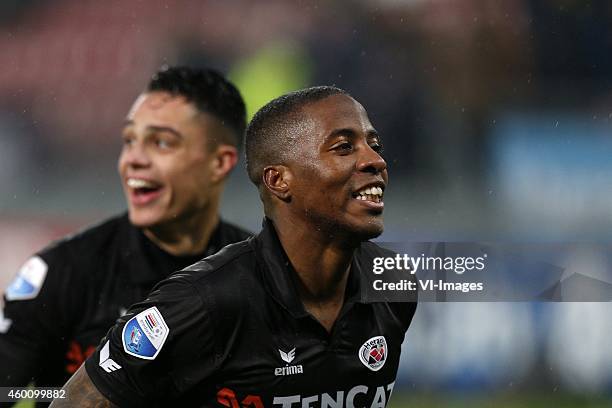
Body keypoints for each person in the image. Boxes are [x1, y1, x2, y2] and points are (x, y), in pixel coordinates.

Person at [54, 86, 417, 407]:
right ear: (278, 180)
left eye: (374, 145)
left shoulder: (393, 285)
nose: (375, 161)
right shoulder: (203, 303)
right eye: (343, 148)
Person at [0, 66, 251, 399]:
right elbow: (6, 391)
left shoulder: (260, 275)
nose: (133, 159)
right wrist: (69, 398)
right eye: (129, 140)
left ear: (219, 163)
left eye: (161, 143)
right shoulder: (64, 272)